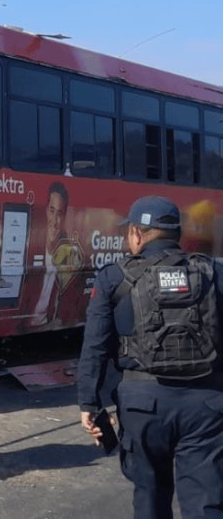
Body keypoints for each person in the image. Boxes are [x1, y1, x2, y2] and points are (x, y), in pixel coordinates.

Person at [78, 196, 223, 519]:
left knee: (149, 496)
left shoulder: (113, 278)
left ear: (136, 234)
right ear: (177, 234)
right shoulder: (213, 273)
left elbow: (95, 347)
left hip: (142, 406)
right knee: (206, 501)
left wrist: (89, 405)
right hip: (207, 405)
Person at [30, 181, 85, 326]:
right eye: (51, 210)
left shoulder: (67, 252)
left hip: (46, 325)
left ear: (65, 217)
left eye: (60, 213)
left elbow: (71, 297)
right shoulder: (31, 244)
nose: (54, 221)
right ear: (46, 210)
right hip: (22, 326)